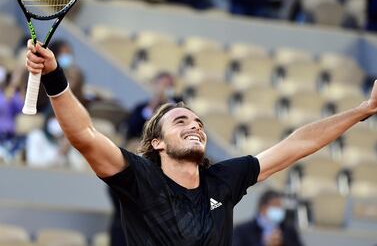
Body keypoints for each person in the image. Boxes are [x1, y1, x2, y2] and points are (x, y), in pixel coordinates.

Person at [25, 40, 377, 245]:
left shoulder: (223, 181)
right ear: (158, 143)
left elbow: (298, 144)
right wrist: (55, 75)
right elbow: (84, 135)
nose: (195, 126)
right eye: (181, 121)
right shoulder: (140, 178)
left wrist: (363, 109)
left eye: (199, 122)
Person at [233, 189, 303, 246]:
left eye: (281, 206)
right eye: (276, 205)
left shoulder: (288, 230)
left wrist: (281, 243)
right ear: (263, 208)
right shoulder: (242, 231)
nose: (280, 209)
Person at [126, 71, 181, 140]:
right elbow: (132, 130)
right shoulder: (140, 108)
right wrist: (151, 108)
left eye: (170, 85)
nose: (167, 88)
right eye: (164, 84)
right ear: (155, 85)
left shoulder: (179, 105)